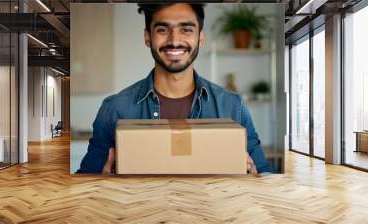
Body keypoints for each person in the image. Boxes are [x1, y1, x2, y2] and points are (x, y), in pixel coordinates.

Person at [77, 3, 275, 175]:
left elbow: (265, 174)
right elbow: (85, 180)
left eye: (186, 29)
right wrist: (102, 180)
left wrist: (255, 178)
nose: (174, 40)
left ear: (200, 37)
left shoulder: (233, 107)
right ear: (147, 37)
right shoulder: (115, 109)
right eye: (163, 29)